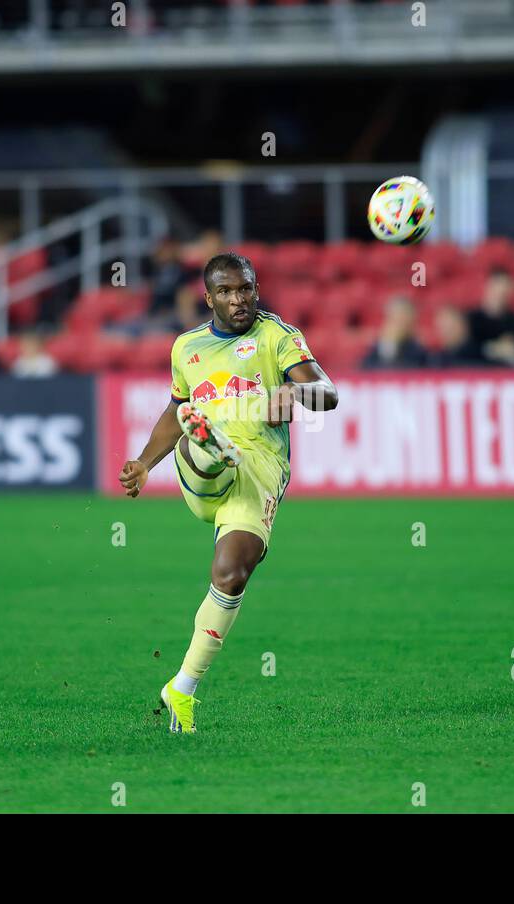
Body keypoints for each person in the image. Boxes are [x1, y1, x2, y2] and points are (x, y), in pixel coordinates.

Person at [117, 252, 337, 734]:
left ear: (256, 288)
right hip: (204, 472)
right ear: (208, 297)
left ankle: (182, 688)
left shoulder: (277, 335)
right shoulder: (187, 348)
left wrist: (295, 394)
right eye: (227, 292)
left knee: (233, 573)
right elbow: (173, 407)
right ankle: (208, 446)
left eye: (246, 289)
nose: (239, 299)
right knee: (201, 436)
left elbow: (328, 393)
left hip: (260, 469)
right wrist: (144, 463)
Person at [362, 296, 426, 368]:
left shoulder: (420, 349)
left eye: (403, 318)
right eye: (395, 318)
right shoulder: (377, 347)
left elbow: (410, 369)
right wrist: (388, 344)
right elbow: (366, 369)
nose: (399, 324)